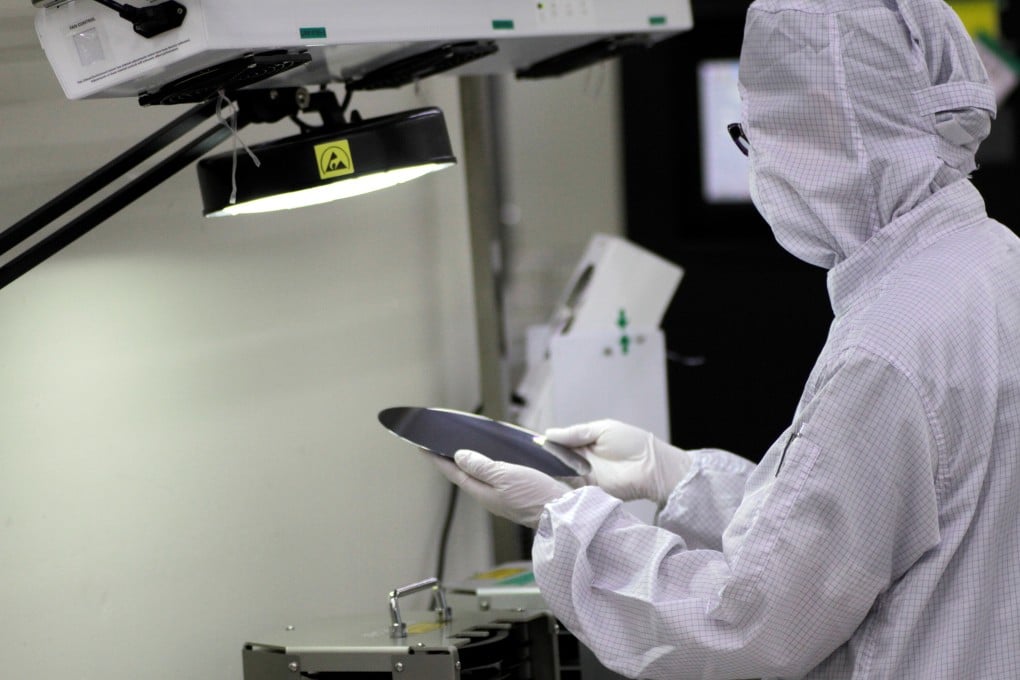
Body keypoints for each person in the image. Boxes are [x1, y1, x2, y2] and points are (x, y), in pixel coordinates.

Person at [431, 0, 1020, 677]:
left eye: (757, 135)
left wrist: (568, 522)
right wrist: (675, 477)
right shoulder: (992, 264)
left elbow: (746, 626)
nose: (761, 164)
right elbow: (855, 526)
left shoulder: (885, 349)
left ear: (828, 132)